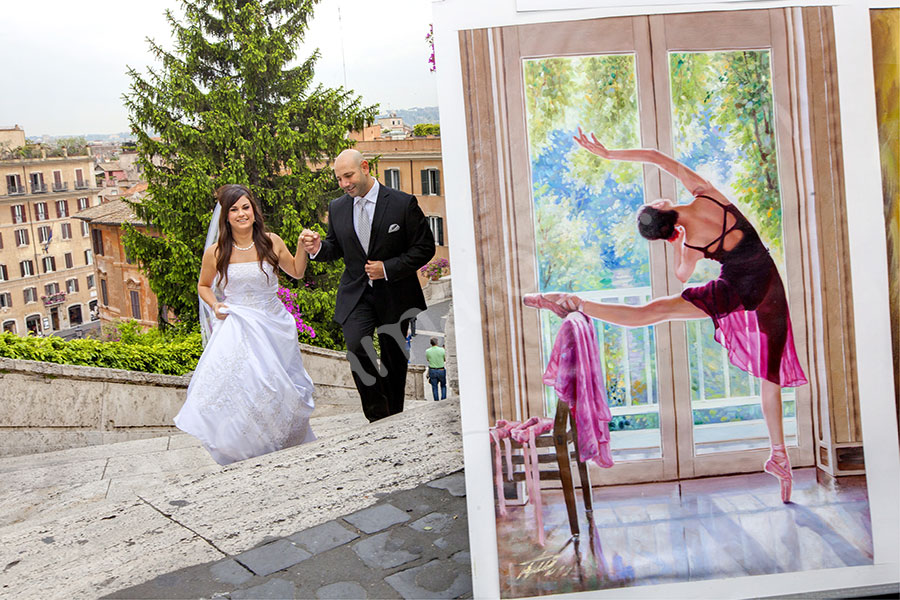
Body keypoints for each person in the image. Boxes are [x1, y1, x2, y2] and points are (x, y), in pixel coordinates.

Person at [526, 129, 807, 503]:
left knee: (652, 312)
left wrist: (679, 248)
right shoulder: (708, 195)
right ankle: (779, 452)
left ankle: (576, 302)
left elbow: (682, 276)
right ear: (662, 207)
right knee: (770, 374)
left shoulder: (689, 242)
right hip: (770, 286)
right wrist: (609, 153)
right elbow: (658, 157)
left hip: (734, 290)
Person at [174, 184, 316, 465]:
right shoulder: (216, 252)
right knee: (247, 386)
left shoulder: (271, 241)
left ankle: (280, 439)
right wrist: (215, 305)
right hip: (238, 326)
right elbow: (203, 286)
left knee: (277, 387)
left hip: (273, 324)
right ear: (225, 216)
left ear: (254, 210)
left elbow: (297, 272)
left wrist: (302, 247)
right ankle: (247, 446)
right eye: (234, 209)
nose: (241, 214)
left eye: (245, 207)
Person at [301, 149, 435, 422]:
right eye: (338, 179)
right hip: (356, 294)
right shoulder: (337, 207)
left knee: (394, 360)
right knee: (356, 346)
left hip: (396, 294)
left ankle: (393, 418)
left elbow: (424, 248)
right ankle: (377, 415)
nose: (344, 184)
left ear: (364, 167)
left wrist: (387, 268)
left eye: (348, 176)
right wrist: (317, 248)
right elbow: (336, 247)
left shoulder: (402, 203)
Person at [426, 337, 447, 401]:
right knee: (443, 385)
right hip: (441, 370)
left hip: (432, 370)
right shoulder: (442, 350)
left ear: (430, 343)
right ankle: (443, 399)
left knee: (434, 387)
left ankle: (436, 400)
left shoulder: (428, 351)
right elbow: (445, 359)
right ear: (437, 342)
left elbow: (428, 360)